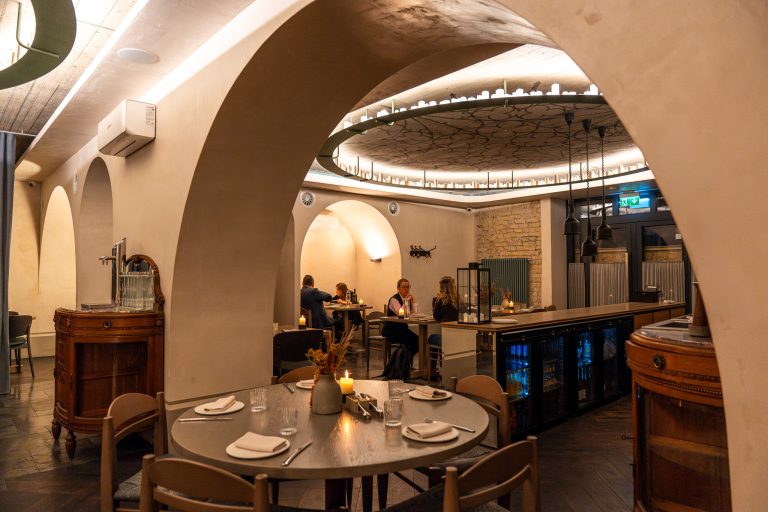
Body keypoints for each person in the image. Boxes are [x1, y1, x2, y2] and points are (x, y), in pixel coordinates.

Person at [381, 278, 419, 356]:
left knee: (419, 341)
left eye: (408, 287)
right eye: (403, 287)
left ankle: (403, 359)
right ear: (398, 288)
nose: (406, 289)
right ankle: (402, 359)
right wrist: (406, 301)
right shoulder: (394, 299)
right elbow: (401, 314)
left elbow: (416, 313)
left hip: (402, 329)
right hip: (391, 330)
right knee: (415, 341)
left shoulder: (408, 299)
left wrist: (414, 300)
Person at [300, 275, 344, 339]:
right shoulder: (314, 291)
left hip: (305, 323)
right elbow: (329, 297)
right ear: (313, 284)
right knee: (340, 322)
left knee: (336, 319)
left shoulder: (299, 292)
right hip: (318, 322)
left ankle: (333, 340)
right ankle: (341, 342)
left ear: (302, 283)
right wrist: (319, 292)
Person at [428, 275, 459, 347]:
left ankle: (431, 356)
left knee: (431, 337)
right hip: (459, 335)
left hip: (447, 337)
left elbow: (436, 317)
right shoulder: (458, 300)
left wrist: (436, 300)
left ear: (441, 287)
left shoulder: (441, 300)